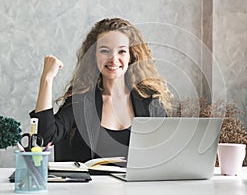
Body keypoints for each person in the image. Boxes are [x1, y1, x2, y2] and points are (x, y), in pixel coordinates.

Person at [30, 18, 173, 163]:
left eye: (122, 51)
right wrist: (46, 79)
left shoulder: (149, 100)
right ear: (93, 56)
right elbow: (45, 137)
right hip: (89, 185)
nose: (114, 59)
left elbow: (169, 151)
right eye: (105, 51)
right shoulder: (81, 101)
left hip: (137, 185)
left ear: (131, 56)